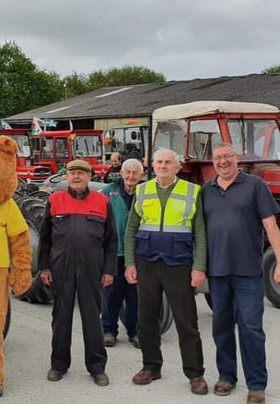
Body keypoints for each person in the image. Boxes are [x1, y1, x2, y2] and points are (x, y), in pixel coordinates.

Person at [124, 148, 208, 395]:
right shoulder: (142, 189)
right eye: (158, 162)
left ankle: (195, 374)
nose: (162, 166)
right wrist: (130, 262)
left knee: (187, 321)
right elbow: (130, 230)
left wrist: (199, 267)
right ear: (152, 165)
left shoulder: (192, 192)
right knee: (146, 318)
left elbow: (200, 234)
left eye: (168, 162)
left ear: (177, 167)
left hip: (179, 263)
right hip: (147, 262)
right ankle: (151, 366)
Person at [201, 143, 280, 404]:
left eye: (227, 156)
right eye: (217, 158)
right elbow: (199, 234)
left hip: (248, 272)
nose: (223, 161)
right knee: (221, 326)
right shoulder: (207, 191)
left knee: (251, 328)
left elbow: (270, 225)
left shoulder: (255, 186)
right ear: (212, 162)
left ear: (237, 158)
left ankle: (256, 385)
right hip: (217, 272)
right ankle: (227, 376)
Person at [38, 159, 117, 387]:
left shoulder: (102, 201)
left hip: (92, 266)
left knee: (92, 318)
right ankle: (59, 364)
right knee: (61, 317)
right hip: (61, 266)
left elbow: (111, 241)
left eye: (81, 173)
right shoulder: (54, 200)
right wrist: (44, 267)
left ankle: (97, 367)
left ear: (89, 177)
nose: (76, 177)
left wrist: (109, 270)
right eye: (73, 173)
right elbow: (44, 237)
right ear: (67, 176)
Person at [101, 158, 144, 349]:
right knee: (111, 294)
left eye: (135, 173)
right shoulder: (108, 192)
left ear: (141, 175)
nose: (131, 176)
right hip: (115, 252)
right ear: (122, 173)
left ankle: (135, 332)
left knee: (135, 295)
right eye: (128, 172)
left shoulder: (146, 192)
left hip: (137, 253)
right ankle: (109, 330)